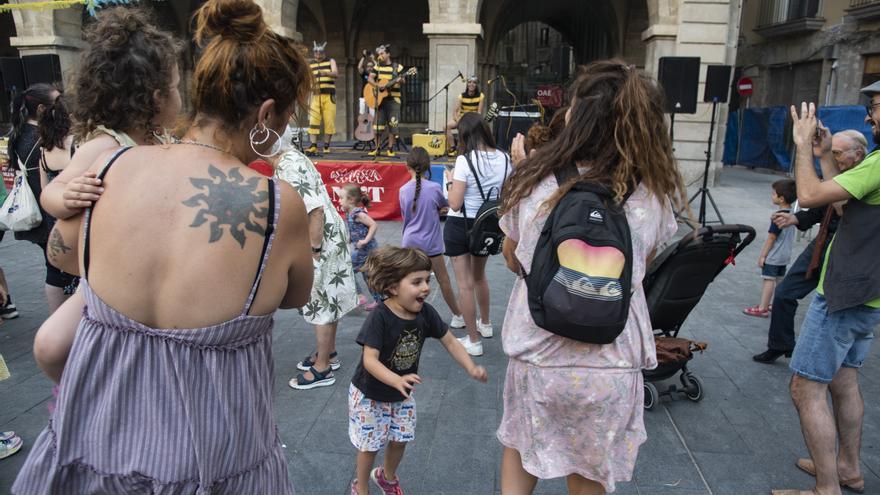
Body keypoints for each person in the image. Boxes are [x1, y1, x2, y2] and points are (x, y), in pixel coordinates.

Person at [13, 2, 314, 493]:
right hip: (215, 453)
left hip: (99, 441)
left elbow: (61, 255)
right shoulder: (278, 205)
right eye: (286, 116)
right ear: (265, 114)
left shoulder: (112, 166)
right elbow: (298, 295)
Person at [497, 61, 686, 495]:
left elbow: (513, 259)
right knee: (589, 474)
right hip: (612, 358)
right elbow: (638, 267)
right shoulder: (651, 192)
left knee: (521, 447)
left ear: (577, 116)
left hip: (539, 352)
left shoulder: (534, 181)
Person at [30, 6, 182, 383]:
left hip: (159, 266)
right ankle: (72, 402)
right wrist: (67, 197)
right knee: (51, 344)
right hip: (108, 275)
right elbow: (52, 194)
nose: (183, 95)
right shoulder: (105, 144)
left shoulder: (164, 139)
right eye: (178, 86)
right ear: (158, 96)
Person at [770, 84, 880, 495]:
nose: (869, 117)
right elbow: (846, 205)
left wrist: (801, 146)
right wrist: (823, 157)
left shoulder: (878, 163)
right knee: (844, 380)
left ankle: (827, 488)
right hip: (868, 294)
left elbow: (811, 195)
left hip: (845, 294)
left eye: (875, 108)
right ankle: (848, 467)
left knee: (805, 386)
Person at [348, 246, 487, 495]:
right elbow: (369, 360)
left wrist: (471, 366)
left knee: (401, 439)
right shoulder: (380, 317)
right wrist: (396, 379)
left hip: (401, 393)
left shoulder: (425, 313)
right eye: (416, 282)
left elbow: (450, 341)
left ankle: (386, 477)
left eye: (427, 280)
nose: (425, 287)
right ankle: (361, 486)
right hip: (370, 394)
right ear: (392, 287)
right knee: (369, 445)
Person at [753, 130, 867, 363]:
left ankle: (840, 358)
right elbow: (821, 205)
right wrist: (795, 219)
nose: (833, 157)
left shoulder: (864, 176)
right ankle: (781, 344)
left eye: (836, 153)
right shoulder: (836, 173)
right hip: (822, 243)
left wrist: (814, 152)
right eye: (831, 153)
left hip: (848, 251)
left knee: (836, 306)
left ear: (856, 155)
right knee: (784, 293)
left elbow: (841, 208)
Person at [277, 148, 358, 390]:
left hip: (322, 238)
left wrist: (314, 250)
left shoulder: (287, 164)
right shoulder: (293, 156)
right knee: (328, 300)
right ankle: (329, 354)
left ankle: (322, 367)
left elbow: (315, 210)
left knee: (321, 300)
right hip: (329, 235)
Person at [443, 112, 510, 356]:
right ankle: (486, 323)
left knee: (465, 284)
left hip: (461, 225)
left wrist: (450, 182)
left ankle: (473, 340)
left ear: (465, 135)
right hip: (487, 225)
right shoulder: (505, 158)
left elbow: (455, 203)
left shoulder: (464, 161)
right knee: (480, 277)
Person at [6, 84, 64, 315]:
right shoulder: (40, 139)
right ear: (41, 109)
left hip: (40, 215)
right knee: (57, 269)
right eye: (57, 103)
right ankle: (60, 317)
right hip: (46, 215)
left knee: (53, 267)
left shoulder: (18, 134)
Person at [399, 146, 464, 326]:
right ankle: (458, 315)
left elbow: (406, 215)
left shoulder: (403, 190)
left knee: (410, 281)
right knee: (444, 281)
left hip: (410, 242)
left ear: (407, 166)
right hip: (431, 243)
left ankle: (408, 313)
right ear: (427, 165)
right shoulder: (434, 188)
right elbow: (446, 206)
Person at [37, 93, 80, 312]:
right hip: (77, 216)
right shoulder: (78, 146)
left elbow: (46, 192)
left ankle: (57, 315)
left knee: (54, 272)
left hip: (56, 221)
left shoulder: (44, 150)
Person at [743, 179, 797, 318]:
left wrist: (763, 255)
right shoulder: (793, 215)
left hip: (774, 255)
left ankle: (763, 308)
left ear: (781, 198)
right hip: (785, 255)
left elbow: (771, 238)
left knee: (768, 280)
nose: (771, 196)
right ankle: (775, 304)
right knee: (779, 280)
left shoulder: (778, 217)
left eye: (773, 194)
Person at [341, 183, 382, 310]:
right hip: (364, 250)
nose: (339, 200)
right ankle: (379, 301)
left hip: (367, 250)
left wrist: (365, 240)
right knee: (368, 275)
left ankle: (359, 296)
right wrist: (350, 238)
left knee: (346, 269)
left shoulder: (357, 213)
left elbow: (373, 225)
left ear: (351, 200)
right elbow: (355, 229)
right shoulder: (349, 213)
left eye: (341, 198)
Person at [368, 44, 405, 158]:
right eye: (379, 54)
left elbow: (403, 80)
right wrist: (377, 85)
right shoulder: (377, 67)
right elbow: (370, 78)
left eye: (382, 53)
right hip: (380, 100)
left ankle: (390, 148)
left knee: (392, 124)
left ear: (388, 54)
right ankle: (377, 148)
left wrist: (399, 80)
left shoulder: (397, 67)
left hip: (394, 99)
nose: (380, 55)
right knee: (377, 126)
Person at [306, 41, 338, 155]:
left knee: (329, 120)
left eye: (320, 53)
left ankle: (326, 145)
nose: (318, 55)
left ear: (323, 53)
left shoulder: (330, 61)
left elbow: (335, 73)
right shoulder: (311, 64)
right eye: (316, 53)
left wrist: (325, 73)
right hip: (315, 95)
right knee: (313, 120)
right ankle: (313, 145)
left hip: (329, 95)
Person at [445, 76, 485, 155]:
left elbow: (479, 112)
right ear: (467, 85)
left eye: (474, 83)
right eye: (469, 82)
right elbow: (455, 112)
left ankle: (472, 148)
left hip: (473, 119)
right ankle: (453, 147)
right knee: (446, 126)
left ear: (476, 85)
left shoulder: (481, 96)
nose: (471, 84)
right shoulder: (461, 96)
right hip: (462, 118)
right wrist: (459, 122)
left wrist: (472, 122)